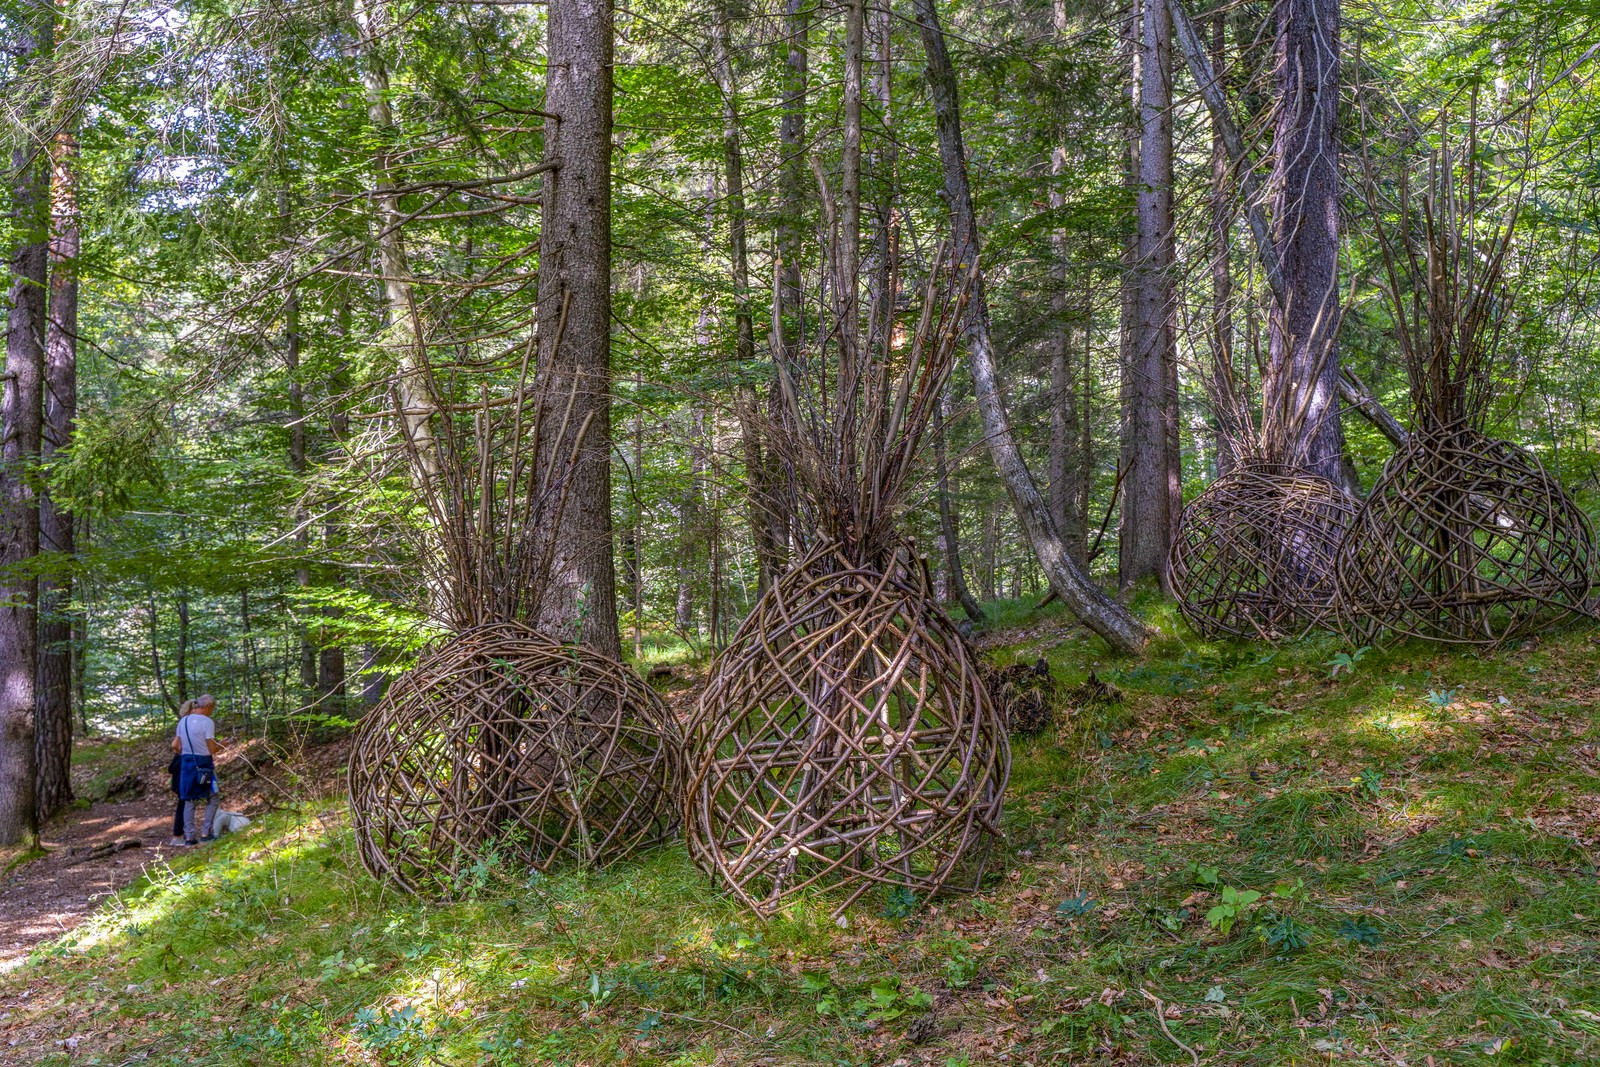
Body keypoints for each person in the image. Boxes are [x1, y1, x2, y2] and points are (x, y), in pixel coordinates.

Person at [172, 693, 224, 844]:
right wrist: (223, 744)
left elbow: (177, 746)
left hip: (186, 764)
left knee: (189, 799)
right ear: (208, 707)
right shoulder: (207, 722)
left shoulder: (183, 721)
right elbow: (212, 749)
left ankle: (189, 837)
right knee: (213, 797)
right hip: (204, 765)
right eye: (212, 709)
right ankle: (205, 833)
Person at [168, 699, 194, 846]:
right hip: (182, 768)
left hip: (182, 765)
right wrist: (184, 753)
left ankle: (181, 834)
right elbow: (175, 745)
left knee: (184, 802)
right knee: (184, 802)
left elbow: (175, 745)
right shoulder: (187, 724)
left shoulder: (185, 723)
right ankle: (178, 836)